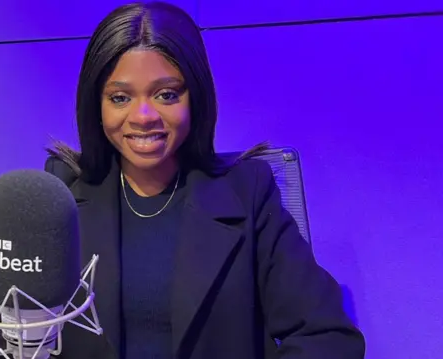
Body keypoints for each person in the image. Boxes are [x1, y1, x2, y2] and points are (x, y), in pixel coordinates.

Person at [42, 1, 365, 359]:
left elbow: (326, 337)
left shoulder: (248, 191)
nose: (143, 116)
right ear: (96, 106)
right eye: (120, 98)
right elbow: (9, 327)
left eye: (166, 94)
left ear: (195, 98)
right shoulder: (60, 192)